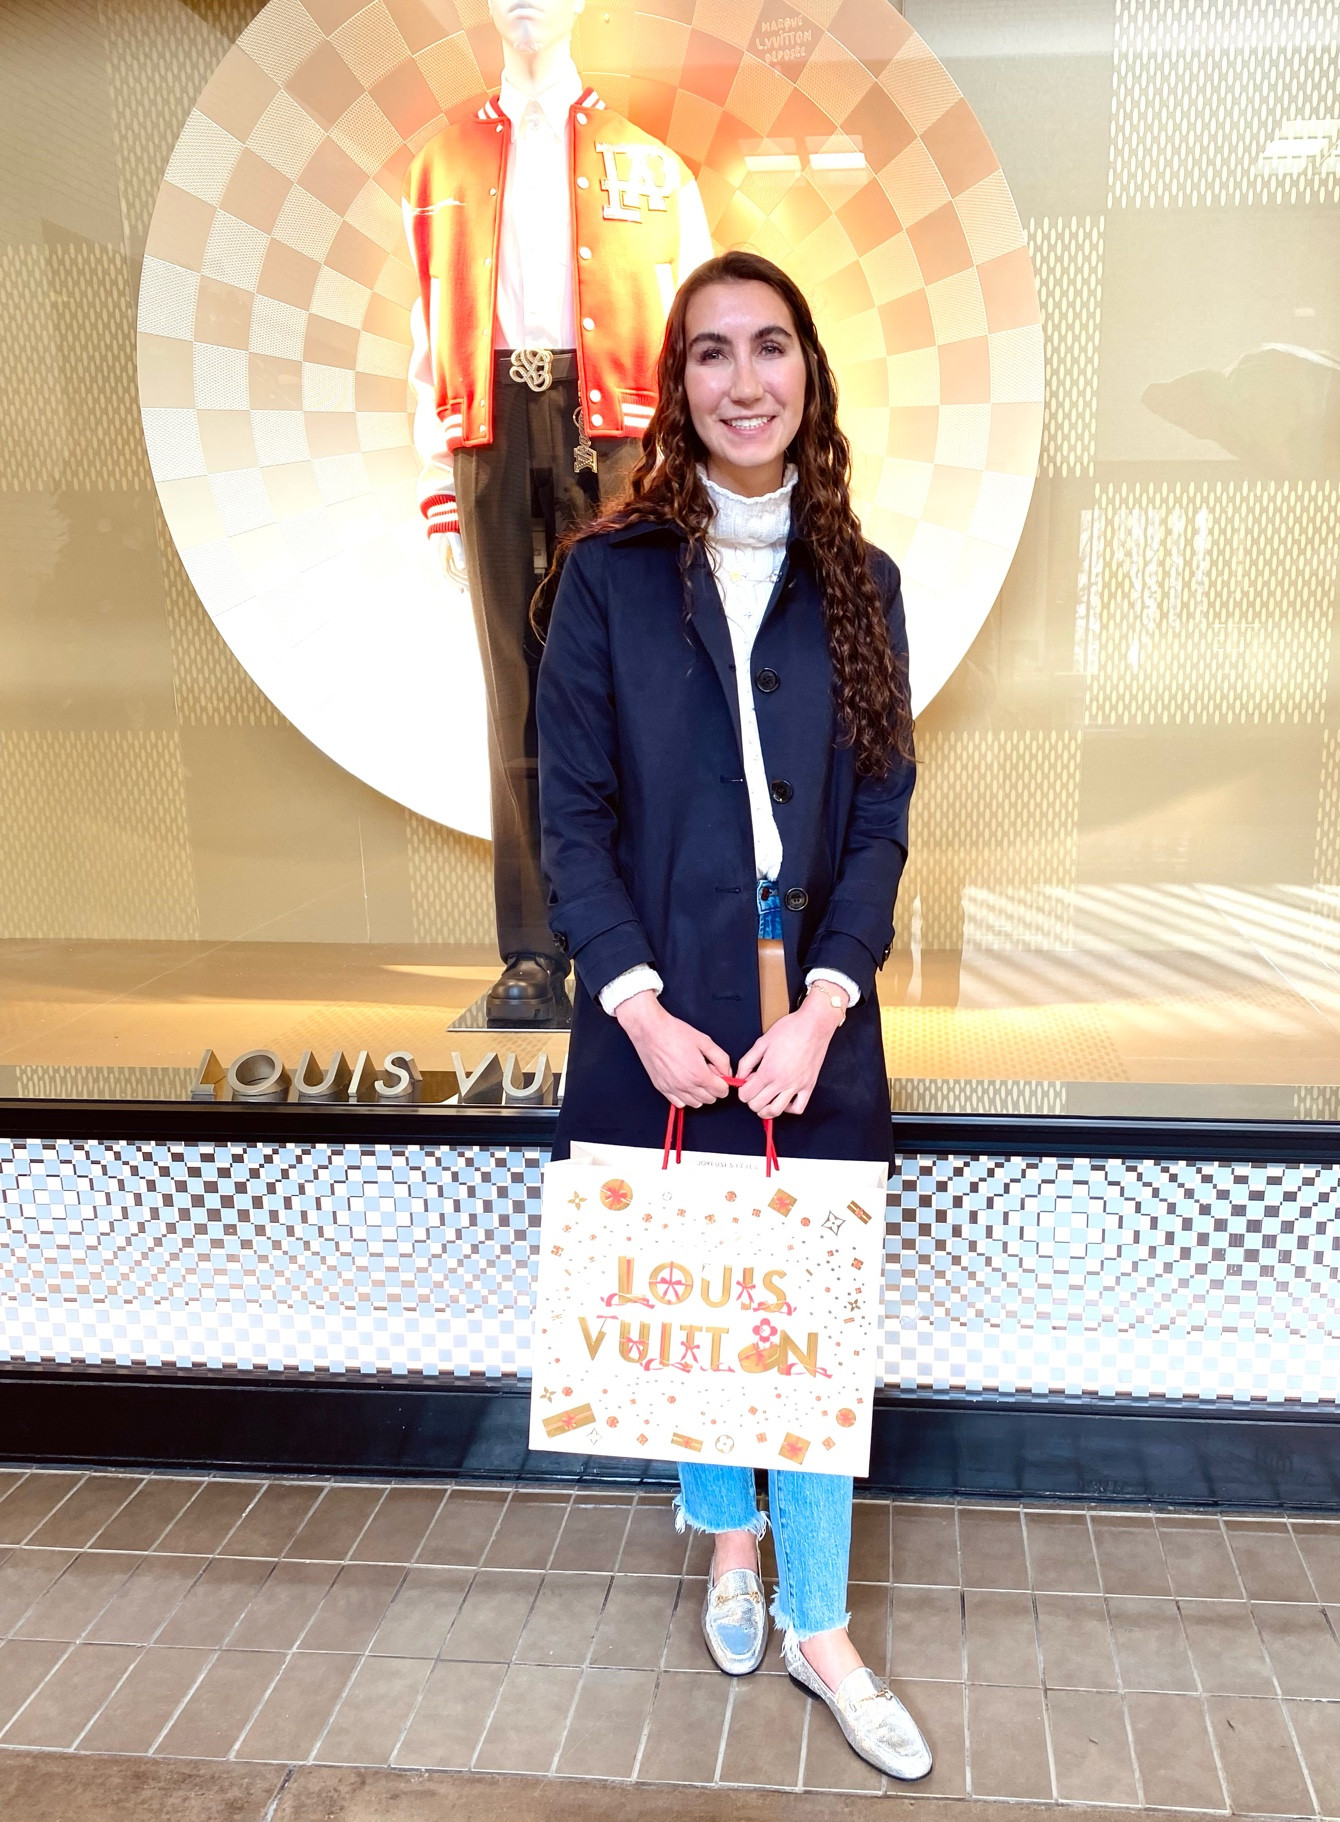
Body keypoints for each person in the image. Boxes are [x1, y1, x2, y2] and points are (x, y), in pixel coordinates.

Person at [536, 250, 928, 1779]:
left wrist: (831, 1000)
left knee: (806, 1323)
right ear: (676, 385)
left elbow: (886, 810)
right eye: (710, 353)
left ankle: (822, 1626)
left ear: (809, 375)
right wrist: (633, 1006)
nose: (744, 378)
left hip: (812, 998)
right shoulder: (611, 575)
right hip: (664, 998)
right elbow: (569, 817)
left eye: (771, 348)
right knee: (704, 1297)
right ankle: (724, 1544)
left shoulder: (863, 581)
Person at [402, 0, 710, 1026]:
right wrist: (439, 483)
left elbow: (692, 331)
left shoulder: (653, 168)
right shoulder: (439, 162)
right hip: (490, 421)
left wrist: (682, 471)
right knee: (513, 689)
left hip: (613, 428)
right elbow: (427, 325)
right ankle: (532, 950)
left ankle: (635, 932)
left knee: (630, 683)